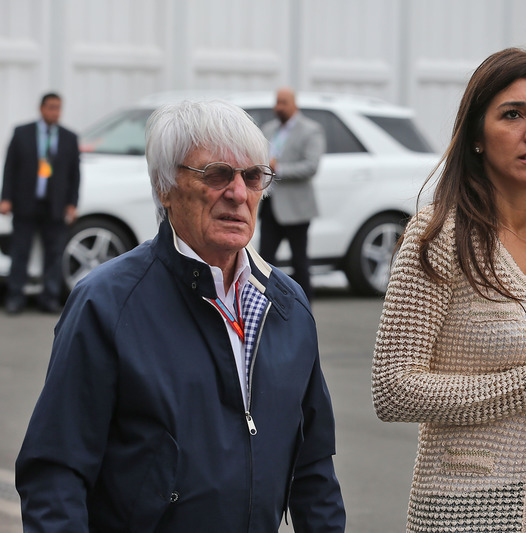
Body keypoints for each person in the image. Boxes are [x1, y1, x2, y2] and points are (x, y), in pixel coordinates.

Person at [15, 99, 346, 532]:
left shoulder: (288, 306)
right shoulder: (107, 303)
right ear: (164, 188)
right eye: (216, 175)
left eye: (252, 176)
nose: (238, 193)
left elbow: (314, 471)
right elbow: (55, 472)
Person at [372, 48, 526, 533]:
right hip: (471, 504)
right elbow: (393, 391)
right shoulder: (437, 237)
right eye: (513, 114)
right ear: (476, 136)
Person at [1, 92, 80, 314]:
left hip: (54, 205)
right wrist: (5, 198)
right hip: (25, 203)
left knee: (54, 254)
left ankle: (49, 298)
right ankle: (15, 297)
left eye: (58, 108)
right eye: (51, 107)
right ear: (42, 109)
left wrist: (72, 203)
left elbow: (75, 174)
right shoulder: (22, 133)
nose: (55, 112)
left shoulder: (69, 137)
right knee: (20, 251)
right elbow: (9, 168)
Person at [259, 86, 325, 301]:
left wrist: (279, 169)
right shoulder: (269, 129)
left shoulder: (310, 130)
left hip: (296, 208)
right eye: (276, 102)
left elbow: (311, 166)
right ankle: (263, 304)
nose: (278, 107)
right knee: (264, 261)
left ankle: (304, 309)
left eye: (283, 102)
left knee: (299, 262)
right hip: (270, 205)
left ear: (294, 104)